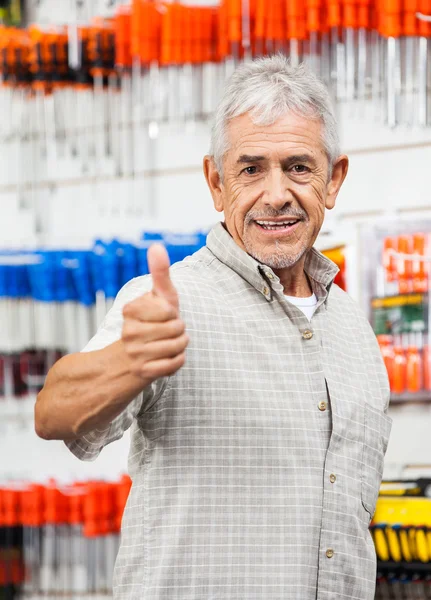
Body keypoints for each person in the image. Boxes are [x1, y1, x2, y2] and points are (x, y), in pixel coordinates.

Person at [36, 55, 392, 600]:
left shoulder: (355, 334)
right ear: (216, 183)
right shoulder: (165, 305)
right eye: (251, 169)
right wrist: (126, 363)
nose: (276, 194)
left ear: (334, 179)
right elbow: (55, 413)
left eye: (298, 167)